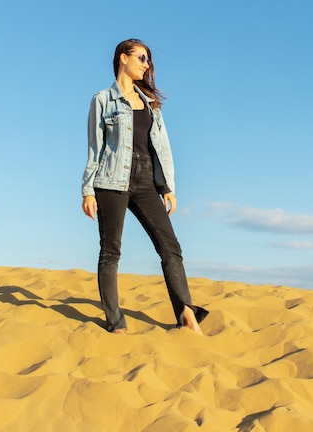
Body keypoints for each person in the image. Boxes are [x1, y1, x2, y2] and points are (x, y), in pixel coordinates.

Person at [81, 39, 209, 335]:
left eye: (148, 60)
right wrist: (88, 189)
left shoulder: (151, 104)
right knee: (110, 251)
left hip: (146, 179)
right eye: (141, 57)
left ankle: (186, 312)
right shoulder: (102, 100)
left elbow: (162, 148)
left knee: (170, 247)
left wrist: (169, 187)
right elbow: (94, 148)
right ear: (122, 58)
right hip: (111, 180)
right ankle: (115, 323)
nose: (146, 64)